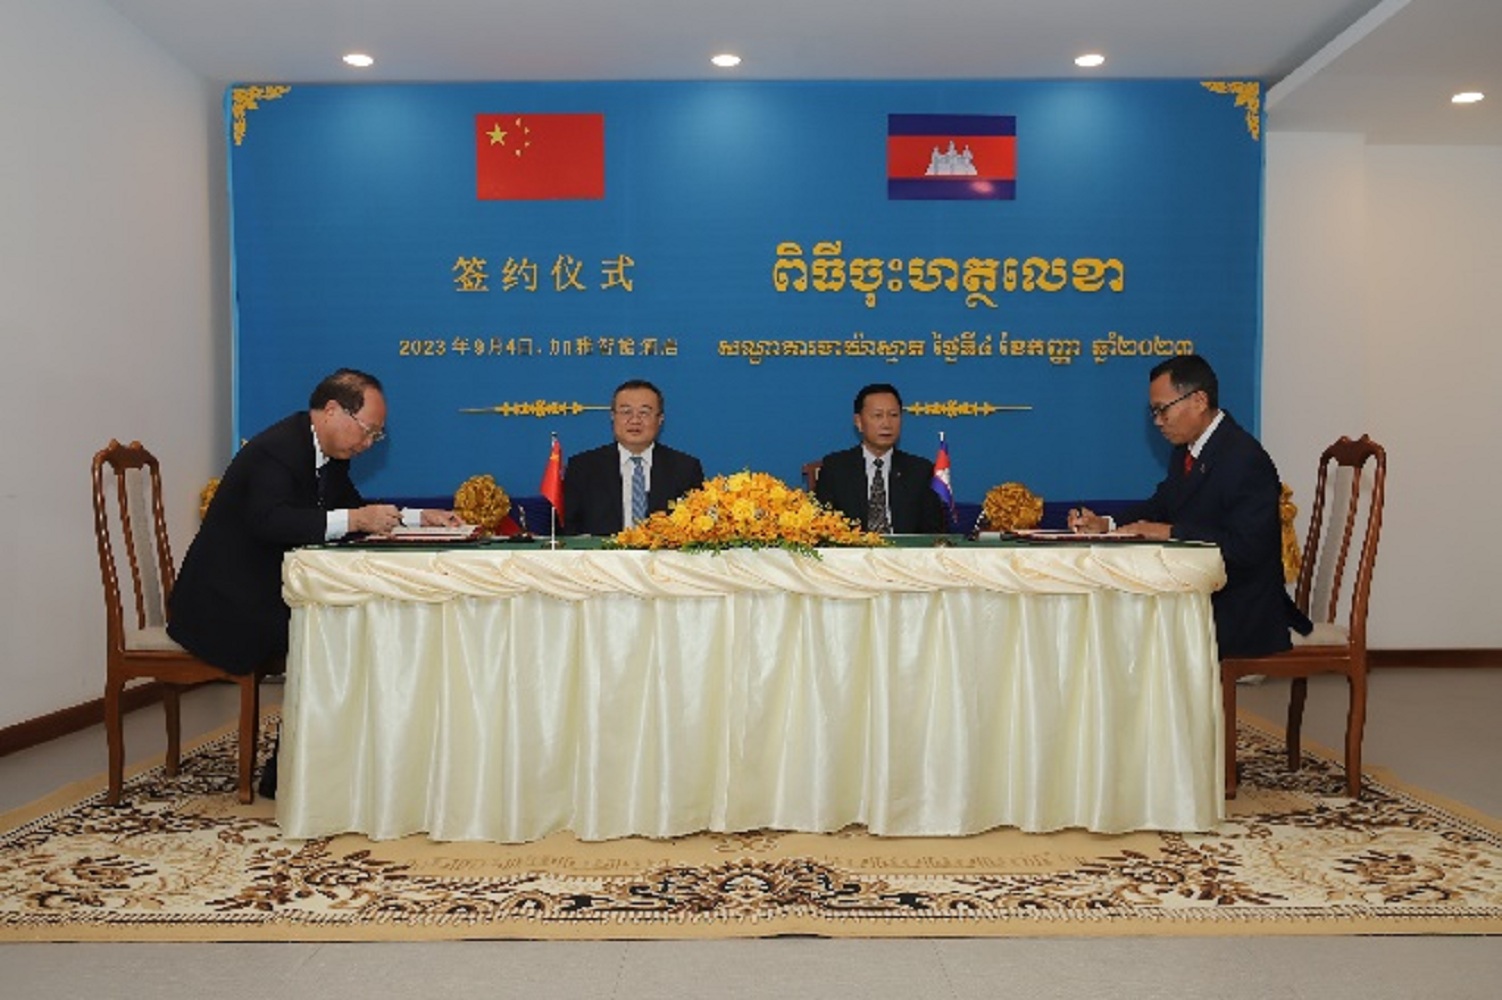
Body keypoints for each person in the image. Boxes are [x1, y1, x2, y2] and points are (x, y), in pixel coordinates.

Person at [167, 368, 462, 797]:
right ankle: (291, 774)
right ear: (332, 410)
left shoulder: (325, 453)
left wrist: (418, 518)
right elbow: (271, 521)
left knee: (350, 623)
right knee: (332, 631)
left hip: (268, 591)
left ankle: (329, 763)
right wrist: (356, 519)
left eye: (376, 436)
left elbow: (353, 511)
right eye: (367, 431)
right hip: (226, 602)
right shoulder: (276, 451)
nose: (368, 443)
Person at [1067, 354, 1311, 658]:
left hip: (1237, 609)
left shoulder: (1243, 458)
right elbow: (1161, 505)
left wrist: (1170, 533)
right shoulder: (1188, 450)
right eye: (1153, 412)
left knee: (1127, 631)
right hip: (1200, 594)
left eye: (1162, 410)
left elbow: (1246, 548)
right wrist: (1107, 524)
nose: (1157, 421)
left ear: (1198, 401)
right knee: (1116, 619)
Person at [562, 379, 705, 535]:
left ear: (660, 419)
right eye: (626, 412)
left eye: (644, 412)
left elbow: (696, 529)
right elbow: (568, 530)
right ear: (613, 416)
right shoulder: (583, 467)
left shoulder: (685, 468)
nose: (635, 420)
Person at [814, 382, 949, 534]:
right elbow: (822, 528)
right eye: (877, 415)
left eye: (893, 415)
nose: (887, 424)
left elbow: (933, 532)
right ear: (859, 422)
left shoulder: (920, 471)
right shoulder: (835, 468)